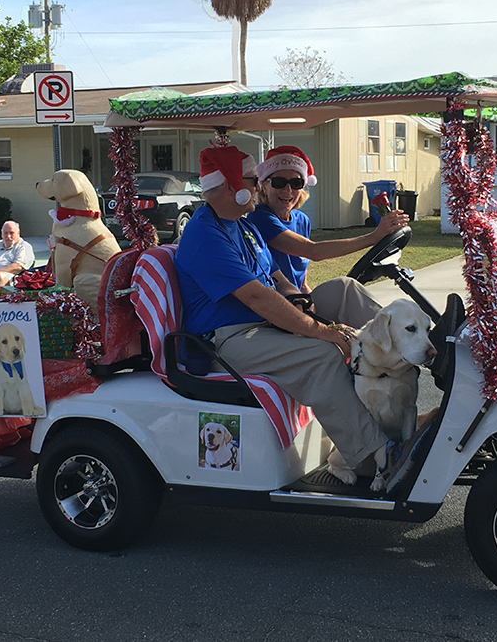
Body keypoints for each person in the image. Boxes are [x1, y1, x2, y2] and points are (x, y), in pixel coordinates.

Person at [174, 145, 407, 490]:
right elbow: (257, 298)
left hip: (254, 327)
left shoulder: (242, 226)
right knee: (324, 355)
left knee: (342, 306)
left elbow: (276, 280)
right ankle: (376, 457)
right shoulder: (205, 235)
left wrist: (311, 312)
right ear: (229, 186)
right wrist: (320, 332)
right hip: (223, 340)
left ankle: (411, 355)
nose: (258, 187)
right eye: (253, 180)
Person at [248, 145, 409, 296]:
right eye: (279, 182)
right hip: (276, 306)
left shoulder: (301, 220)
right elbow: (312, 251)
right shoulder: (260, 218)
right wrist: (374, 237)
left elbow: (302, 283)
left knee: (348, 290)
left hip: (297, 301)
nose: (288, 190)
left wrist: (310, 305)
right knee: (347, 288)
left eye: (296, 183)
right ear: (263, 186)